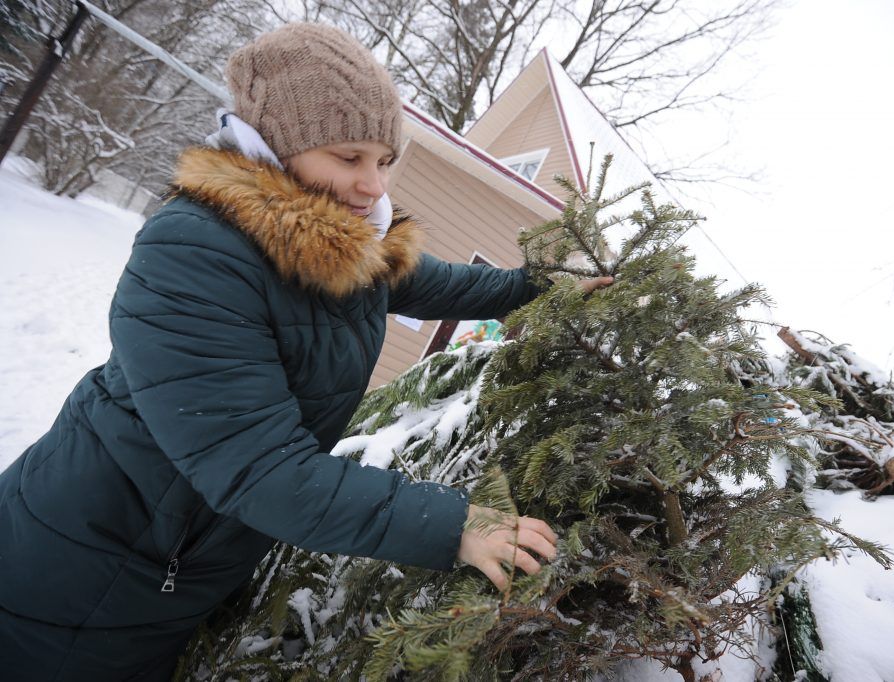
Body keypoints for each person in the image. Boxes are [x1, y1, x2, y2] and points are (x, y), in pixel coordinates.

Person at [0, 22, 613, 681]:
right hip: (79, 578)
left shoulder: (348, 250)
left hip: (172, 568)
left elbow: (456, 283)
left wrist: (550, 289)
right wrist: (453, 525)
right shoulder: (195, 252)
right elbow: (259, 467)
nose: (374, 185)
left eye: (383, 161)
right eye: (349, 158)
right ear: (276, 150)